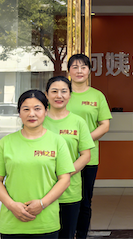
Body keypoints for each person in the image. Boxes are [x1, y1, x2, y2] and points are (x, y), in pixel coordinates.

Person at [0, 90, 75, 239]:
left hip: (45, 223)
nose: (31, 114)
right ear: (19, 113)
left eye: (37, 108)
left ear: (46, 111)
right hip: (12, 223)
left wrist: (42, 204)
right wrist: (11, 205)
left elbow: (65, 179)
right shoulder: (6, 143)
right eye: (26, 109)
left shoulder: (57, 141)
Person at [65, 53, 112, 239]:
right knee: (62, 200)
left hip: (88, 158)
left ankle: (81, 235)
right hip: (61, 156)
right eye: (75, 67)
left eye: (83, 67)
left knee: (85, 201)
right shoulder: (61, 94)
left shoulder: (97, 96)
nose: (79, 71)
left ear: (89, 71)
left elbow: (105, 125)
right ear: (68, 71)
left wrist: (82, 141)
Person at [43, 76, 96, 239]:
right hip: (41, 189)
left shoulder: (78, 122)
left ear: (70, 95)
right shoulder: (38, 120)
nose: (59, 95)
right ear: (46, 95)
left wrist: (64, 174)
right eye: (54, 91)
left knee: (67, 234)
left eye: (64, 91)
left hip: (69, 191)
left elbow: (86, 155)